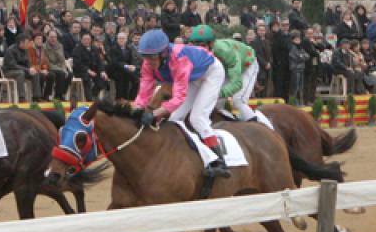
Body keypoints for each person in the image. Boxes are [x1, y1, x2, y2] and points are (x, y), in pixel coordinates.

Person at [133, 29, 229, 178]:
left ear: (163, 53)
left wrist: (154, 114)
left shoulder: (179, 60)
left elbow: (178, 98)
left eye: (152, 57)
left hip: (211, 73)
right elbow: (144, 91)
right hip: (193, 77)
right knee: (174, 119)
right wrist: (137, 109)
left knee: (197, 118)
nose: (148, 62)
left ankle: (220, 163)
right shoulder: (148, 64)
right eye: (145, 57)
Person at [188, 25, 272, 128]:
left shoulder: (226, 52)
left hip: (247, 65)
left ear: (211, 44)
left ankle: (261, 128)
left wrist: (219, 93)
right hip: (226, 68)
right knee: (217, 103)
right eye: (195, 46)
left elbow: (237, 83)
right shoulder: (195, 54)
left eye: (202, 46)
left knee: (238, 100)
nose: (199, 50)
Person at [4, 34, 41, 102]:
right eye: (27, 43)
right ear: (21, 43)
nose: (28, 44)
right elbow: (13, 65)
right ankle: (22, 98)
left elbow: (28, 63)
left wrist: (31, 69)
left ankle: (36, 97)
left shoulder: (25, 50)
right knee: (20, 73)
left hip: (22, 70)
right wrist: (27, 70)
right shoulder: (10, 50)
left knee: (35, 73)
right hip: (9, 71)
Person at [72, 32, 108, 100]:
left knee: (103, 79)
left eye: (88, 39)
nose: (87, 41)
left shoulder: (94, 49)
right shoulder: (77, 49)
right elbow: (77, 64)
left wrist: (102, 71)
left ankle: (93, 95)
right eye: (85, 39)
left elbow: (99, 62)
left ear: (91, 40)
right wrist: (88, 70)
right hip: (81, 71)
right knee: (86, 79)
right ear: (81, 40)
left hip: (93, 70)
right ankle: (89, 100)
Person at [107, 32, 140, 100]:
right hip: (115, 70)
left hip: (126, 70)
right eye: (119, 38)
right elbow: (115, 62)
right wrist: (126, 66)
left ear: (126, 40)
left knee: (136, 79)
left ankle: (131, 98)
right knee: (121, 78)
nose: (121, 40)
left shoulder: (128, 49)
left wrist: (133, 66)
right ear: (117, 40)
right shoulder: (113, 48)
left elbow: (131, 60)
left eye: (123, 38)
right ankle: (120, 99)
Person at [45, 29, 69, 99]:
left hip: (60, 67)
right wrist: (61, 69)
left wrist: (64, 68)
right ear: (47, 37)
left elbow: (62, 60)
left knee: (69, 74)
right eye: (51, 37)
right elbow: (47, 62)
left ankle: (63, 94)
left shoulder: (60, 46)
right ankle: (58, 95)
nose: (53, 39)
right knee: (61, 73)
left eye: (55, 37)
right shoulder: (44, 47)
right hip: (50, 67)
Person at [287, 30, 309, 106]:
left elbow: (307, 56)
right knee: (294, 88)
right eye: (296, 39)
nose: (298, 40)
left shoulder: (300, 48)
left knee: (300, 87)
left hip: (301, 69)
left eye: (299, 38)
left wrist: (302, 56)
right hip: (295, 69)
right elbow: (297, 57)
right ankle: (293, 103)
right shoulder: (292, 48)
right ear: (292, 39)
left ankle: (300, 103)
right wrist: (302, 56)